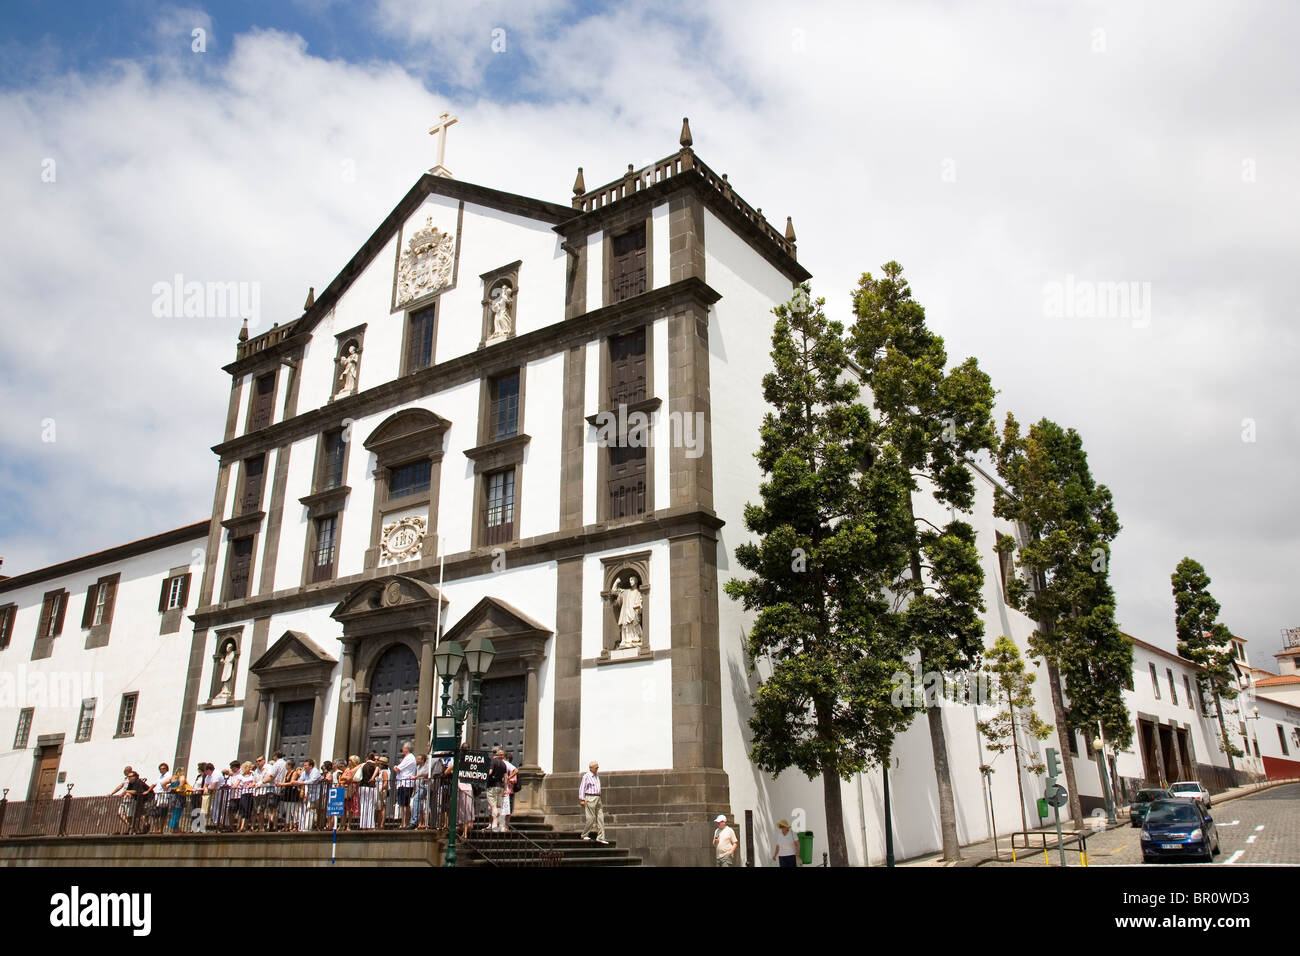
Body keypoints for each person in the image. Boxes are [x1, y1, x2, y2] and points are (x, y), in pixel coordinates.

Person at [578, 760, 607, 844]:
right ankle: (584, 834)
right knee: (591, 817)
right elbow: (582, 787)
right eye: (596, 767)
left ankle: (601, 837)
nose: (597, 768)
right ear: (591, 768)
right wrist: (582, 799)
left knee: (600, 817)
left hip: (598, 797)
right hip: (590, 797)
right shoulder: (587, 776)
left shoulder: (597, 775)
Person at [109, 766, 137, 832]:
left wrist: (128, 792)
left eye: (125, 771)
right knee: (120, 813)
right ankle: (130, 826)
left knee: (129, 815)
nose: (124, 772)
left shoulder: (133, 779)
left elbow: (134, 788)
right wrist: (112, 793)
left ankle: (133, 828)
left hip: (130, 798)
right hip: (124, 798)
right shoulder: (125, 779)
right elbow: (120, 786)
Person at [396, 744, 417, 828]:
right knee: (403, 804)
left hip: (405, 783)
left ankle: (405, 823)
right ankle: (404, 822)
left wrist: (396, 767)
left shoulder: (409, 758)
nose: (402, 749)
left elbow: (398, 769)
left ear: (406, 749)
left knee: (404, 804)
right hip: (403, 783)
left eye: (403, 748)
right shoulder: (408, 757)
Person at [486, 750, 508, 832]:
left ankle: (495, 824)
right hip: (500, 787)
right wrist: (505, 789)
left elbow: (490, 772)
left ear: (493, 754)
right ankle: (497, 826)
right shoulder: (503, 764)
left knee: (493, 806)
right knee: (498, 806)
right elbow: (506, 778)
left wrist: (484, 775)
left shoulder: (492, 761)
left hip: (492, 786)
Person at [409, 753, 431, 830]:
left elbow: (425, 773)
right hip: (418, 788)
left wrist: (416, 777)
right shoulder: (418, 767)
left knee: (416, 800)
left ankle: (414, 821)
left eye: (418, 759)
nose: (417, 760)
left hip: (424, 787)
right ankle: (418, 822)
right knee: (417, 804)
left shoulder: (427, 766)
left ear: (422, 760)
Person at [499, 748, 518, 832]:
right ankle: (502, 825)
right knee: (503, 808)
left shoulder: (509, 768)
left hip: (509, 791)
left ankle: (506, 825)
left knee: (508, 809)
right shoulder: (505, 767)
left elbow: (514, 780)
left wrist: (507, 779)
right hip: (503, 790)